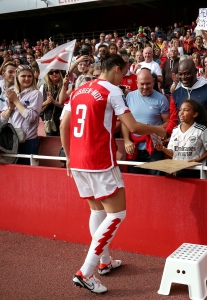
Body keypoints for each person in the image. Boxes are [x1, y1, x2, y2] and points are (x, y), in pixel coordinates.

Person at [60, 54, 165, 294]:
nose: (124, 78)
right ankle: (86, 271)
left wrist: (68, 156)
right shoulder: (112, 90)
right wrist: (158, 129)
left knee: (97, 210)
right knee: (117, 213)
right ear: (117, 69)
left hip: (77, 160)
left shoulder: (79, 89)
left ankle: (105, 261)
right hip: (100, 160)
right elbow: (134, 126)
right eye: (124, 72)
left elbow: (64, 125)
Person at [123, 69, 169, 175]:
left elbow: (168, 122)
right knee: (136, 183)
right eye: (142, 84)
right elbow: (125, 122)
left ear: (153, 81)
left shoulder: (161, 99)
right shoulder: (129, 97)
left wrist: (153, 130)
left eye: (148, 83)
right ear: (136, 83)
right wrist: (126, 141)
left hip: (155, 148)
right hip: (134, 148)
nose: (145, 87)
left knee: (157, 182)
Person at [155, 99, 207, 178]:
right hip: (178, 170)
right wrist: (163, 148)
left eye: (186, 110)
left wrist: (197, 160)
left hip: (195, 170)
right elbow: (172, 153)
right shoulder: (175, 130)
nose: (181, 113)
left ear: (195, 114)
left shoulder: (201, 130)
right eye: (180, 110)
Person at [0, 65, 42, 165]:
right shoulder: (13, 93)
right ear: (17, 77)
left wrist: (16, 101)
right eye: (23, 76)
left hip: (28, 141)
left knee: (28, 174)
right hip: (12, 140)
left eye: (29, 76)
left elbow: (32, 117)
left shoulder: (36, 93)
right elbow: (2, 119)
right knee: (13, 173)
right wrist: (10, 108)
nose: (27, 79)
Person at [39, 69, 64, 136]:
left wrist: (54, 102)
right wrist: (47, 102)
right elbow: (38, 106)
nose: (54, 74)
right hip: (49, 122)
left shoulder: (66, 86)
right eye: (51, 73)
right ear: (47, 75)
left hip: (63, 121)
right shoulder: (43, 87)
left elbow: (69, 107)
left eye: (56, 71)